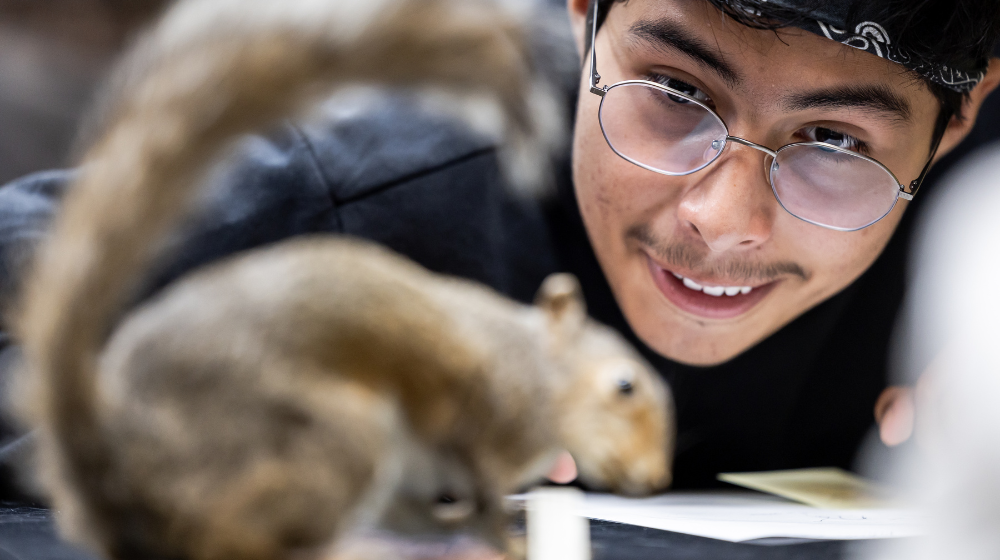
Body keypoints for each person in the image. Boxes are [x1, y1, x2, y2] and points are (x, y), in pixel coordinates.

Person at [0, 0, 999, 500]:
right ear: (580, 14)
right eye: (674, 93)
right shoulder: (360, 179)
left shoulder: (977, 239)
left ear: (956, 128)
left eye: (833, 144)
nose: (720, 217)